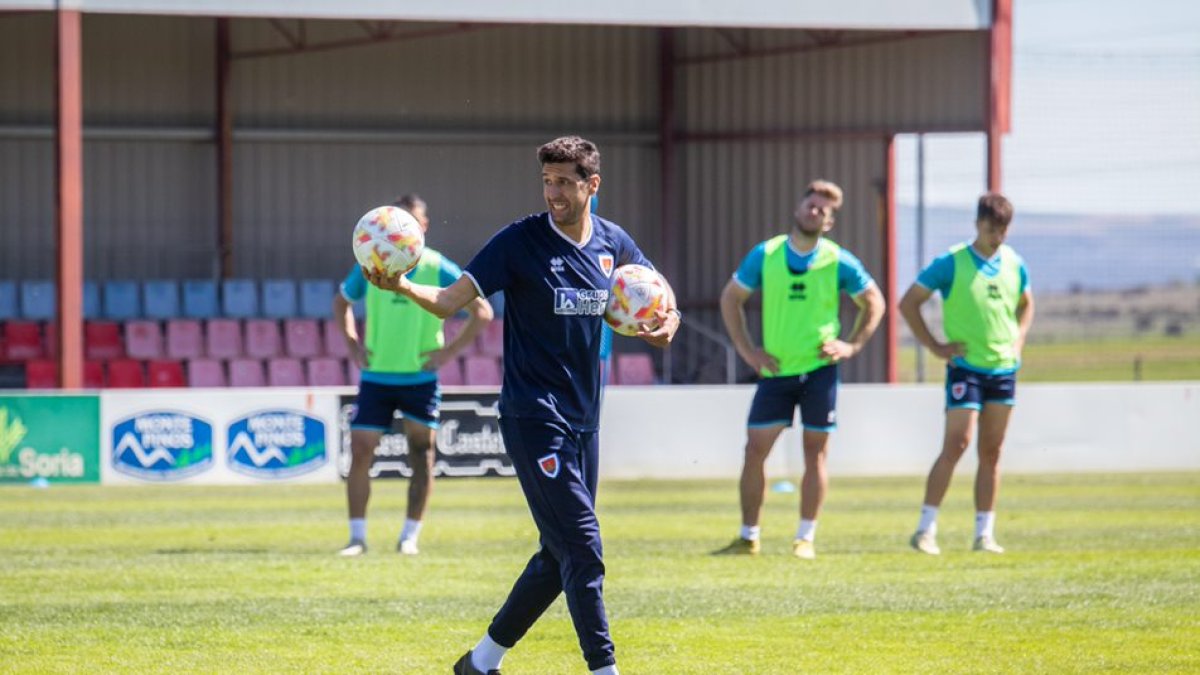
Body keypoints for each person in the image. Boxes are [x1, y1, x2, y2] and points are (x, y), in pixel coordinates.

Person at [362, 137, 680, 675]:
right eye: (547, 182)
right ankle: (605, 670)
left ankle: (481, 662)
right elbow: (448, 303)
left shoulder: (612, 243)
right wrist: (402, 285)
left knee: (559, 556)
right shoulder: (519, 242)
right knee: (583, 547)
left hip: (585, 422)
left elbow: (657, 295)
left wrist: (666, 325)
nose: (553, 192)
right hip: (533, 414)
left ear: (591, 185)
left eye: (564, 182)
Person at [714, 179, 885, 560]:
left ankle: (805, 537)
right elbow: (732, 298)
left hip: (820, 370)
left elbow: (874, 302)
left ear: (830, 222)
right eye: (811, 204)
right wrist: (747, 350)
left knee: (815, 453)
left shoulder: (839, 260)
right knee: (755, 449)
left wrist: (852, 345)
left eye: (824, 210)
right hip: (775, 371)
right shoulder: (766, 253)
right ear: (798, 208)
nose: (815, 211)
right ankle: (748, 536)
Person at [335, 193, 493, 557]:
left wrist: (449, 352)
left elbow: (481, 311)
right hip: (376, 377)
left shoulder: (438, 265)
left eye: (413, 221)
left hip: (420, 379)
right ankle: (357, 537)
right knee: (360, 452)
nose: (404, 228)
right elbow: (342, 301)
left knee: (422, 454)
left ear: (423, 227)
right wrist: (353, 344)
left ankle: (410, 536)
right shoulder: (371, 265)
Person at [900, 192, 1034, 555]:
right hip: (965, 368)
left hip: (1003, 369)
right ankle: (925, 529)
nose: (998, 237)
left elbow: (1026, 304)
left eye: (1004, 230)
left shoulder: (1014, 264)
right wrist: (934, 346)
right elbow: (908, 302)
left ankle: (984, 534)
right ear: (978, 224)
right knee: (957, 443)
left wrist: (1018, 339)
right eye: (992, 229)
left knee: (992, 450)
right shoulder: (951, 262)